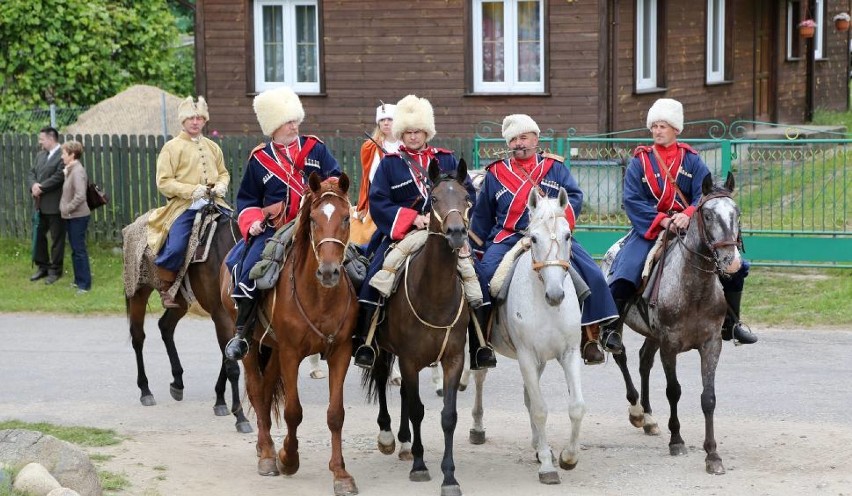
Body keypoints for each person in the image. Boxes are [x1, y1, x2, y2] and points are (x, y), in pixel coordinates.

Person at [599, 98, 757, 354]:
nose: (657, 130)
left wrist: (688, 214)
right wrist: (661, 220)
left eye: (663, 126)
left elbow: (703, 195)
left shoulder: (692, 160)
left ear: (676, 130)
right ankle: (612, 329)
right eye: (655, 126)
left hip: (688, 227)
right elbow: (631, 199)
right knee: (625, 269)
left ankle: (731, 323)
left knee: (737, 267)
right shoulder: (640, 161)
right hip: (650, 229)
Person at [352, 94, 497, 370]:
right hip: (401, 233)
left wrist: (451, 221)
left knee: (479, 279)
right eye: (407, 132)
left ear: (426, 131)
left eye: (417, 131)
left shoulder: (446, 159)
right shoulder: (391, 163)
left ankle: (480, 346)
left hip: (446, 234)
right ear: (400, 133)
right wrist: (412, 218)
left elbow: (469, 196)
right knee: (373, 278)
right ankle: (366, 343)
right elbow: (379, 202)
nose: (413, 136)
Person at [469, 114, 620, 363]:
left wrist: (560, 224)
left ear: (536, 139)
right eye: (514, 139)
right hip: (509, 236)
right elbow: (483, 216)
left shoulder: (554, 167)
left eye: (524, 137)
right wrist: (478, 249)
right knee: (483, 279)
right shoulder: (496, 173)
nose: (519, 143)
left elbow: (574, 197)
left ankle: (593, 337)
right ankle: (482, 345)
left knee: (592, 273)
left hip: (552, 236)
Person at [224, 86, 341, 361]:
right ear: (273, 127)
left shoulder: (316, 148)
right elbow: (248, 199)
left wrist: (324, 191)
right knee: (247, 270)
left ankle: (354, 330)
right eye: (287, 121)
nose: (294, 125)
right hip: (276, 229)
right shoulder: (259, 160)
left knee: (353, 267)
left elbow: (336, 179)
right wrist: (252, 222)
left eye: (295, 119)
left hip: (315, 226)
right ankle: (243, 333)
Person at [146, 96, 231, 308]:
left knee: (238, 233)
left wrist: (221, 184)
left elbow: (223, 173)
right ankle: (166, 288)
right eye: (191, 118)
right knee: (175, 246)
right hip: (185, 206)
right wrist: (191, 191)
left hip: (216, 203)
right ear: (183, 121)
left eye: (199, 118)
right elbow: (163, 182)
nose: (195, 122)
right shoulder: (171, 148)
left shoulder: (212, 146)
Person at [353, 102, 401, 246]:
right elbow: (371, 175)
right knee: (371, 235)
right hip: (381, 194)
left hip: (403, 193)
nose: (386, 123)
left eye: (390, 119)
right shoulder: (371, 146)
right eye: (382, 120)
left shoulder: (405, 144)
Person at [27, 126, 65, 285]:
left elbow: (59, 176)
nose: (40, 142)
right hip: (40, 205)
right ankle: (42, 267)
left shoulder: (63, 155)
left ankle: (55, 270)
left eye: (41, 139)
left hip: (55, 206)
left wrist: (41, 187)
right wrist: (34, 185)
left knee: (57, 239)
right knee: (39, 237)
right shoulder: (40, 155)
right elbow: (31, 172)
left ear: (51, 139)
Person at [58, 140, 92, 294]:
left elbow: (80, 196)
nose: (61, 156)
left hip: (77, 217)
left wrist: (66, 209)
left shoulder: (77, 171)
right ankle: (78, 281)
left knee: (79, 250)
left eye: (64, 153)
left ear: (72, 155)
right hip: (72, 217)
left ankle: (84, 285)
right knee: (75, 250)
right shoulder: (71, 169)